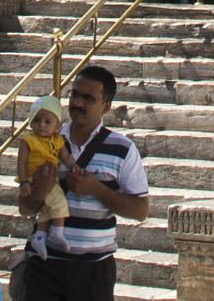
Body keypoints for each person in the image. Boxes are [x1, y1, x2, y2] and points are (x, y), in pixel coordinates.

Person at [18, 67, 148, 301]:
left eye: (88, 98)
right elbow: (25, 208)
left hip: (93, 272)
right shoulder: (41, 140)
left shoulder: (123, 148)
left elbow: (141, 210)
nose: (78, 103)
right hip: (45, 266)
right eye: (74, 95)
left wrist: (96, 189)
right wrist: (38, 191)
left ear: (106, 106)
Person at [17, 94, 71, 258]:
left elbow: (66, 157)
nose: (41, 125)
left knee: (47, 209)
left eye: (48, 122)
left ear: (57, 125)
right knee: (59, 200)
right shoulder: (28, 140)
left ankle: (40, 237)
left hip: (51, 178)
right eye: (37, 120)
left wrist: (75, 168)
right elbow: (21, 163)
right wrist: (24, 182)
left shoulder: (58, 140)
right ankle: (57, 232)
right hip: (35, 178)